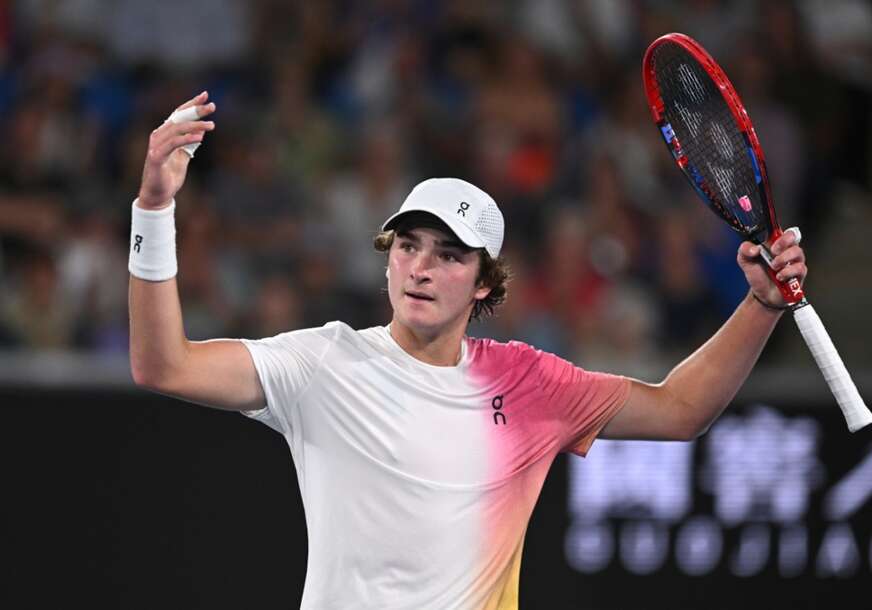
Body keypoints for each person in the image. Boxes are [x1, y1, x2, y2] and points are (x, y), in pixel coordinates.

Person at [129, 93, 807, 609]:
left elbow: (682, 409)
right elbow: (164, 365)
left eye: (450, 256)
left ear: (485, 284)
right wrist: (153, 209)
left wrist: (761, 305)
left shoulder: (529, 382)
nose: (421, 269)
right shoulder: (323, 363)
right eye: (408, 247)